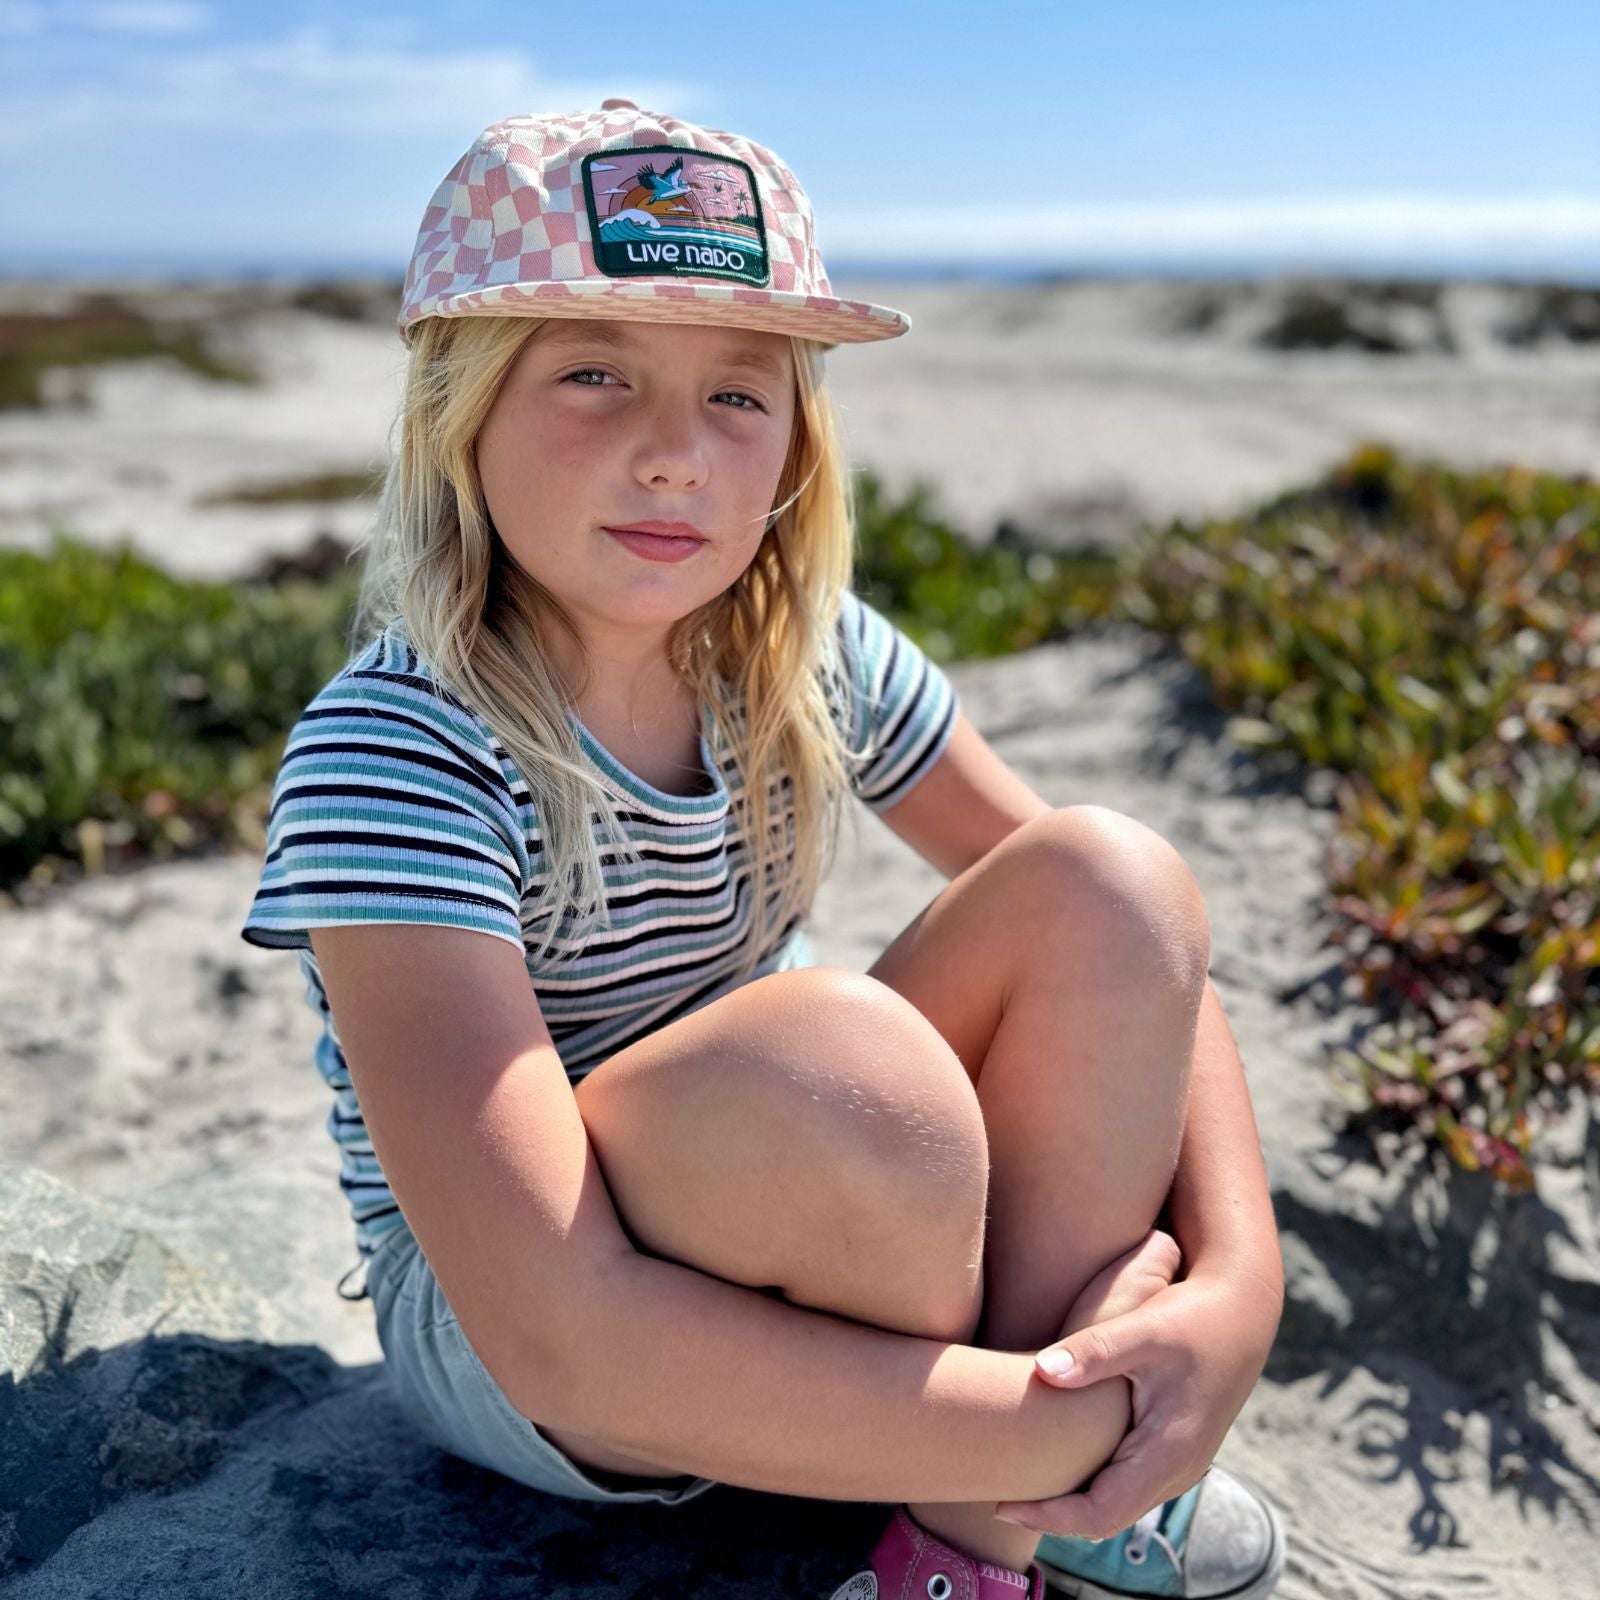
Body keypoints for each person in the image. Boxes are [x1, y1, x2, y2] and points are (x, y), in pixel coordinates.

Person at [239, 100, 1287, 1600]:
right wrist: (1078, 1426)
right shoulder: (397, 755)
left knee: (1105, 874)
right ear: (456, 415)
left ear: (799, 435)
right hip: (522, 1320)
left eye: (741, 394)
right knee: (842, 1063)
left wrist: (1242, 1290)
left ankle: (963, 1522)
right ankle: (1023, 1508)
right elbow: (555, 1323)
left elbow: (1147, 950)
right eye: (593, 375)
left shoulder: (803, 655)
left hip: (811, 1199)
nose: (677, 458)